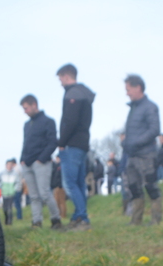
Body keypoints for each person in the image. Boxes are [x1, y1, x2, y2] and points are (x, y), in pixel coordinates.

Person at [55, 63, 95, 230]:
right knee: (78, 183)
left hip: (72, 144)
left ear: (66, 76)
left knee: (70, 184)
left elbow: (70, 122)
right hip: (82, 143)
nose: (60, 83)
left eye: (60, 79)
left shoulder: (73, 94)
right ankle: (78, 216)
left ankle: (83, 218)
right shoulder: (84, 94)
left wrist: (61, 143)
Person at [122, 73, 162, 225]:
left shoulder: (150, 107)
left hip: (146, 155)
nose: (126, 93)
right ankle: (136, 221)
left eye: (128, 89)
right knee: (134, 189)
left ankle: (156, 221)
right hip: (131, 155)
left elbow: (154, 129)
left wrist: (136, 143)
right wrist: (126, 143)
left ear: (138, 87)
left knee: (151, 187)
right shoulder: (132, 109)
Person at [18, 94, 62, 229]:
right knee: (34, 196)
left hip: (41, 163)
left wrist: (41, 159)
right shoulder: (27, 125)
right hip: (27, 164)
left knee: (45, 193)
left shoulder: (48, 121)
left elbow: (53, 142)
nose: (24, 111)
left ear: (34, 105)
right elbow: (25, 143)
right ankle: (36, 222)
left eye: (26, 108)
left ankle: (56, 220)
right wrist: (22, 159)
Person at [0, 158, 22, 224]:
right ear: (6, 165)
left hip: (12, 193)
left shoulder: (15, 174)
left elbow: (18, 182)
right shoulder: (2, 173)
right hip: (4, 193)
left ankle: (9, 222)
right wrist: (1, 187)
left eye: (11, 165)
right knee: (5, 208)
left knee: (9, 207)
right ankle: (6, 220)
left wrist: (15, 189)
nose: (9, 166)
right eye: (8, 165)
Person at [50, 155, 68, 220]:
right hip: (56, 186)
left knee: (62, 202)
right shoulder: (57, 166)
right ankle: (59, 214)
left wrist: (60, 185)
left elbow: (61, 177)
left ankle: (63, 215)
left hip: (60, 186)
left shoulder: (61, 166)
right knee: (56, 201)